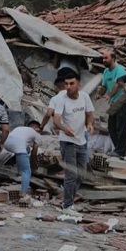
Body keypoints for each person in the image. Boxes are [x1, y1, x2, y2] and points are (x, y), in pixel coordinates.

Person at [52, 71, 94, 216]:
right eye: (66, 84)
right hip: (67, 141)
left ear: (79, 84)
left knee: (81, 174)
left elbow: (90, 114)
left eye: (72, 83)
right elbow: (56, 119)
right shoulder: (61, 99)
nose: (68, 87)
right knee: (71, 174)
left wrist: (90, 125)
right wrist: (64, 129)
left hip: (81, 141)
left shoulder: (85, 97)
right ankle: (67, 205)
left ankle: (69, 200)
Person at [96, 51, 126, 157]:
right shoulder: (106, 71)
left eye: (106, 58)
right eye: (103, 58)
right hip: (114, 103)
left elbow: (117, 85)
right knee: (111, 127)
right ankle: (118, 150)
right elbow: (104, 86)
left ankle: (120, 151)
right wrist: (99, 94)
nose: (104, 60)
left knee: (121, 127)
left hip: (123, 102)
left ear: (113, 58)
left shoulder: (120, 70)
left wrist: (109, 96)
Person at [4, 121, 42, 196]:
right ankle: (24, 192)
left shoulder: (20, 128)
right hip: (18, 145)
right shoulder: (37, 134)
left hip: (6, 143)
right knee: (27, 171)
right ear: (37, 128)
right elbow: (34, 150)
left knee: (25, 150)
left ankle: (18, 171)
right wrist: (34, 165)